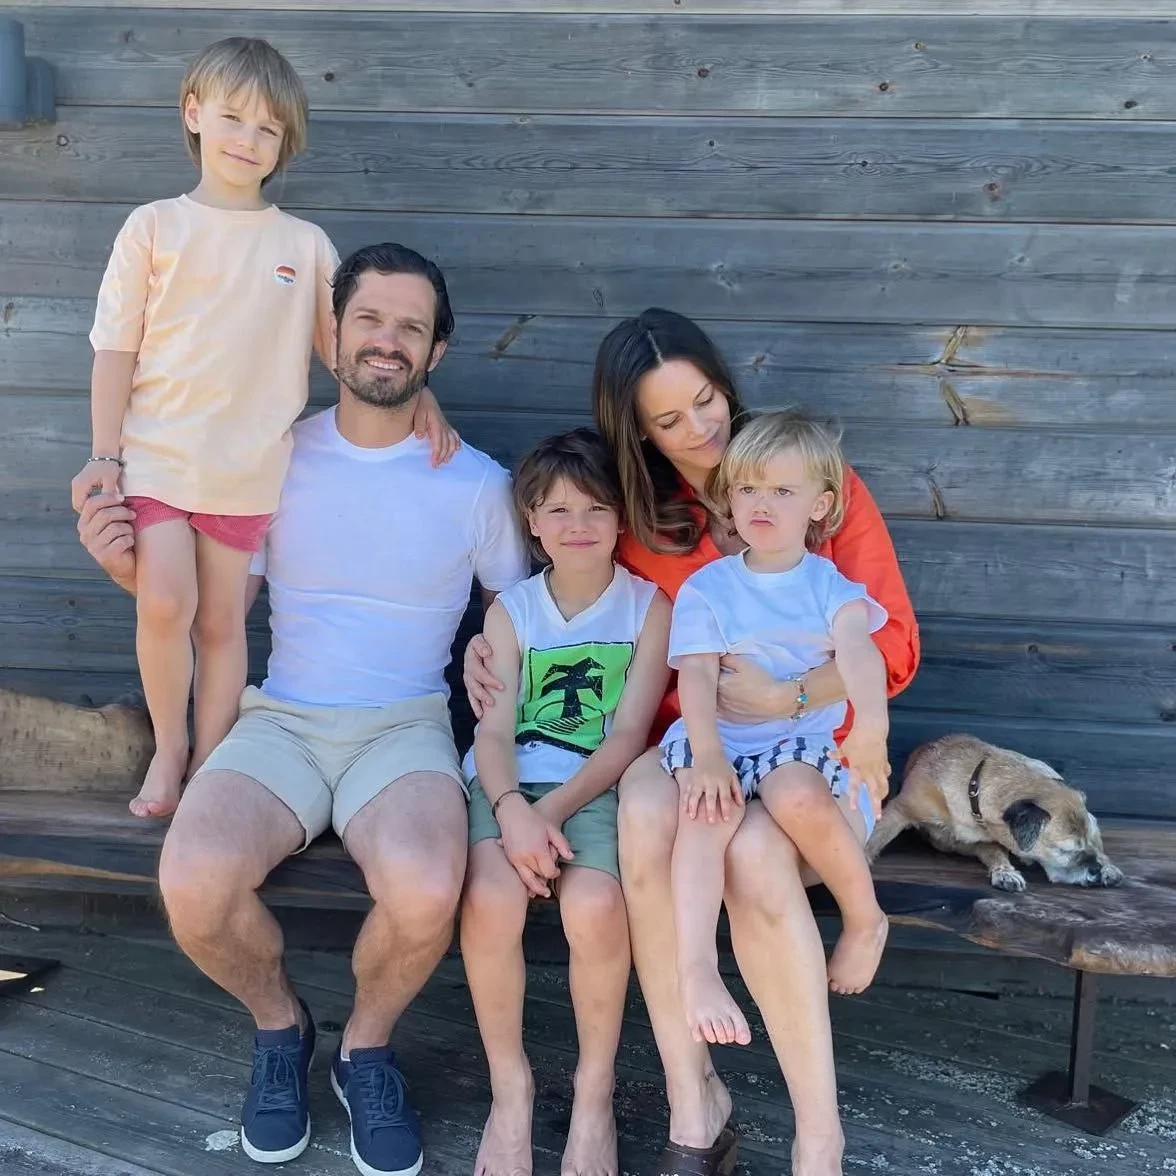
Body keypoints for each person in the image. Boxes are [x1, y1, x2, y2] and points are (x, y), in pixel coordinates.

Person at [78, 243, 530, 1176]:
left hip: (403, 726)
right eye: (369, 319)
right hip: (280, 719)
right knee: (192, 882)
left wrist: (490, 661)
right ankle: (281, 1026)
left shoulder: (479, 484)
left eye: (410, 327)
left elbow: (517, 616)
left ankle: (365, 1048)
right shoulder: (271, 461)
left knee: (425, 886)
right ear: (333, 333)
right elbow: (215, 615)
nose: (387, 341)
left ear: (437, 351)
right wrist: (127, 569)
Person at [465, 309, 920, 1176]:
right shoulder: (643, 512)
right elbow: (575, 599)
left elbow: (892, 643)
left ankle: (818, 1136)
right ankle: (691, 1096)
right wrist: (489, 651)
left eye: (705, 400)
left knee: (751, 849)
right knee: (646, 814)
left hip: (810, 752)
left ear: (725, 383)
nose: (700, 430)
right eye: (669, 420)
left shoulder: (807, 479)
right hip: (695, 742)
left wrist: (790, 692)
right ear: (639, 430)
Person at [69, 38, 452, 821]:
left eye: (268, 129)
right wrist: (105, 454)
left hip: (247, 473)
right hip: (157, 458)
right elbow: (115, 348)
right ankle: (169, 750)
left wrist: (425, 399)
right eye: (233, 118)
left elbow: (349, 350)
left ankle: (213, 760)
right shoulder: (154, 227)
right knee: (165, 603)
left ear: (285, 145)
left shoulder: (303, 245)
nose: (248, 139)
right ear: (193, 114)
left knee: (221, 623)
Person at [459, 429, 670, 1176]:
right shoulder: (513, 611)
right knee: (489, 898)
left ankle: (593, 1094)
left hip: (596, 786)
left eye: (595, 508)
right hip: (508, 783)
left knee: (596, 907)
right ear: (533, 522)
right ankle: (509, 1091)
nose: (577, 524)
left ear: (620, 517)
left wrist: (549, 815)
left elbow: (629, 736)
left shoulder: (647, 608)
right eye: (557, 510)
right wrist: (513, 808)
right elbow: (491, 732)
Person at [663, 410, 891, 1056]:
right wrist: (708, 755)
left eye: (783, 491)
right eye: (748, 489)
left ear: (820, 506)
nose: (762, 504)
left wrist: (871, 730)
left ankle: (865, 917)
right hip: (721, 738)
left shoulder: (830, 587)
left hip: (796, 741)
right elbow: (697, 677)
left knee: (796, 795)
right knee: (704, 813)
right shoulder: (709, 587)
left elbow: (861, 653)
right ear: (729, 498)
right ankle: (697, 966)